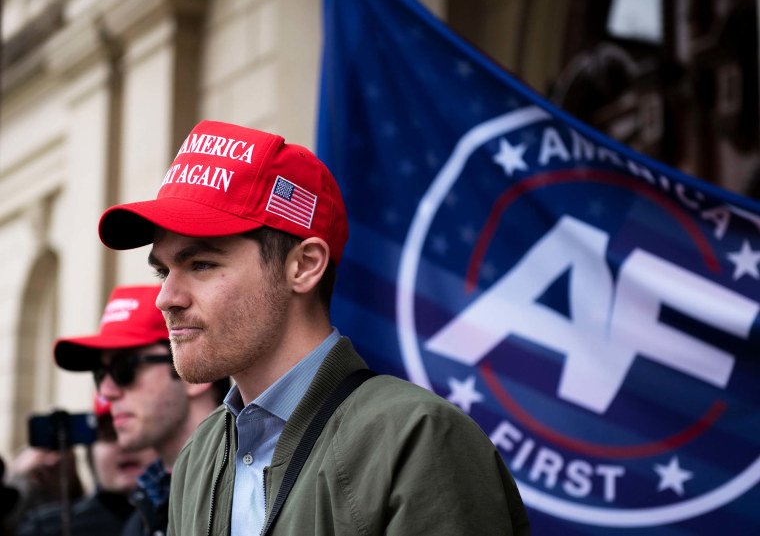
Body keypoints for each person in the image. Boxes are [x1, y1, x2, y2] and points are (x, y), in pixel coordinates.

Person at [97, 120, 531, 536]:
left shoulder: (419, 439)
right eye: (163, 272)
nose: (166, 298)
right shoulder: (199, 455)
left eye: (202, 264)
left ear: (303, 266)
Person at [53, 285, 229, 536]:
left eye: (124, 368)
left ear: (194, 374)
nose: (105, 391)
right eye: (100, 374)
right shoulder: (143, 511)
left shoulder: (252, 489)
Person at [15, 395, 156, 536]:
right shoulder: (46, 529)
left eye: (136, 432)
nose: (124, 445)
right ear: (90, 452)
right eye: (109, 435)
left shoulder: (176, 519)